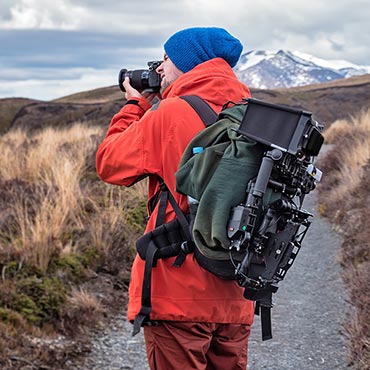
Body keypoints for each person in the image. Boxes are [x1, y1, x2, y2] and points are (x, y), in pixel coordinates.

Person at [96, 27, 255, 370]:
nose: (160, 70)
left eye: (166, 59)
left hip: (178, 290)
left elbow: (109, 164)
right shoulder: (253, 115)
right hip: (236, 294)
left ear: (186, 62)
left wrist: (135, 106)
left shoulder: (167, 115)